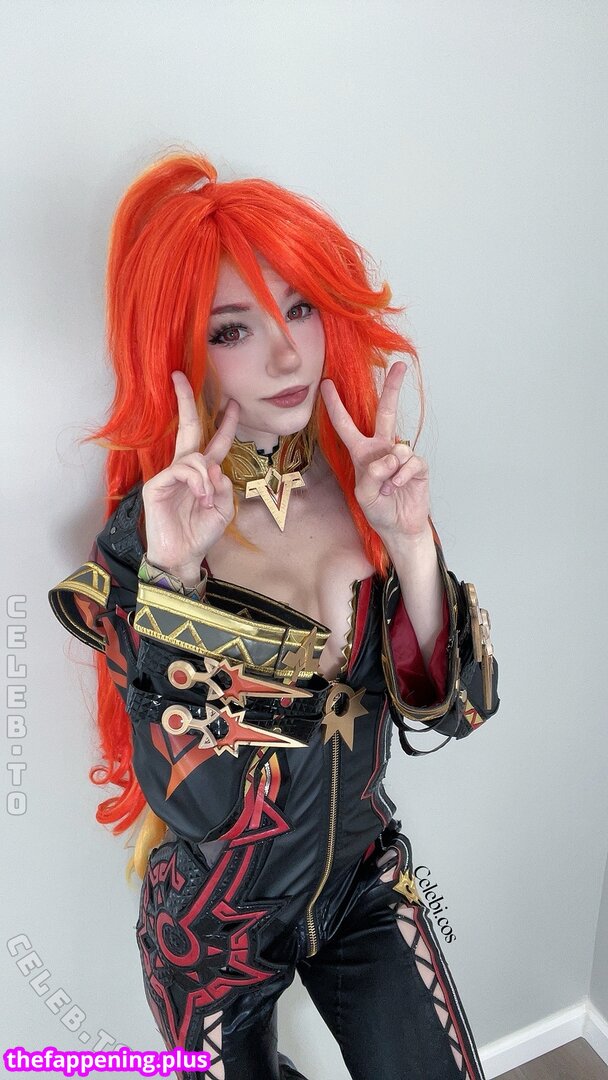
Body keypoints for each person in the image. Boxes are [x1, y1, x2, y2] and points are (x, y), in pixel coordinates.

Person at [49, 151, 499, 1080]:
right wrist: (178, 577)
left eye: (299, 309)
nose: (288, 355)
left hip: (365, 886)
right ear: (180, 344)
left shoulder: (369, 486)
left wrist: (411, 544)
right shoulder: (151, 537)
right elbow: (196, 804)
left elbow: (459, 712)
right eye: (234, 328)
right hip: (212, 927)